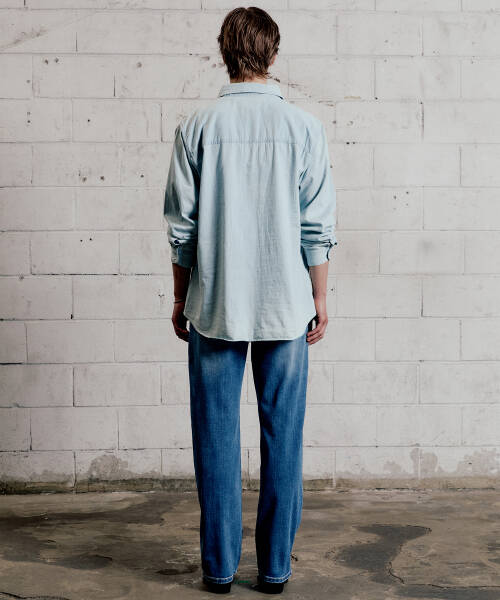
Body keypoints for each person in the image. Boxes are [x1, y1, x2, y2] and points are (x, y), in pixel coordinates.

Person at [164, 6, 337, 595]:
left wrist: (181, 295)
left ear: (223, 51)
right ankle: (274, 570)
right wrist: (319, 295)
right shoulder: (304, 127)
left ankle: (218, 571)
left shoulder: (196, 126)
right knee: (283, 437)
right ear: (273, 53)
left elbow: (182, 228)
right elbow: (317, 226)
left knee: (214, 439)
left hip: (215, 302)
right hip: (286, 305)